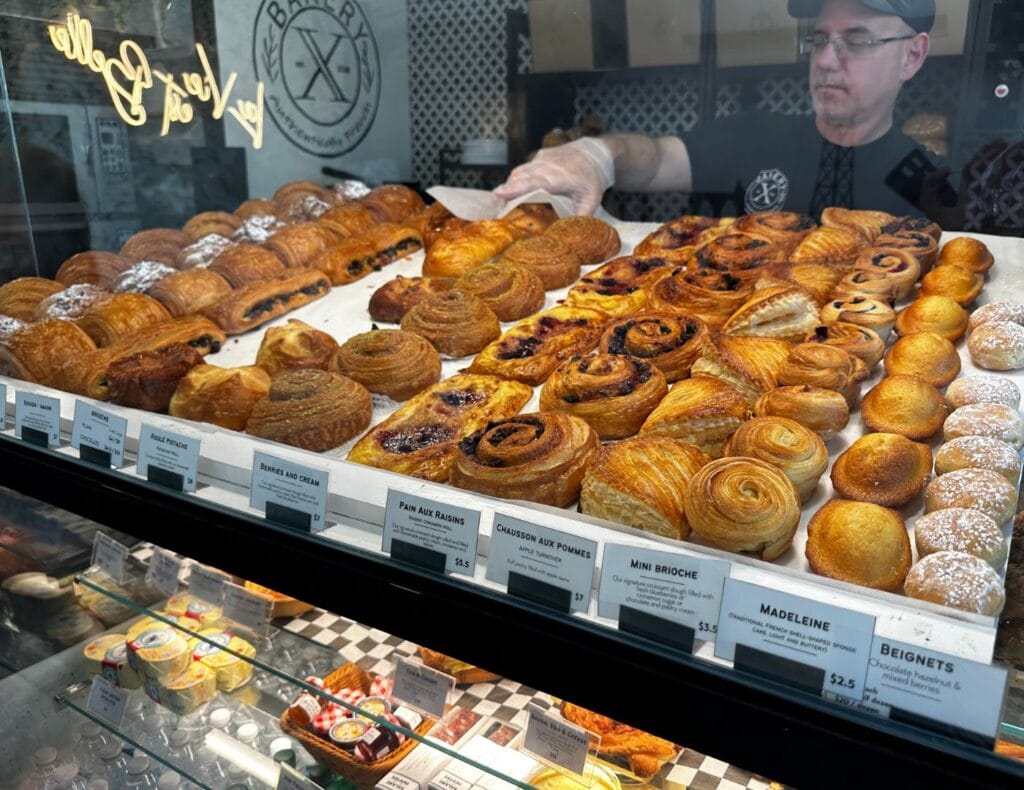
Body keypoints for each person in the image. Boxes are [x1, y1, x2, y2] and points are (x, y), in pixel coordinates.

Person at [494, 0, 944, 219]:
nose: (826, 59)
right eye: (820, 39)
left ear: (913, 56)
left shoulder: (930, 183)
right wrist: (598, 156)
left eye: (858, 40)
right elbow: (654, 162)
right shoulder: (753, 135)